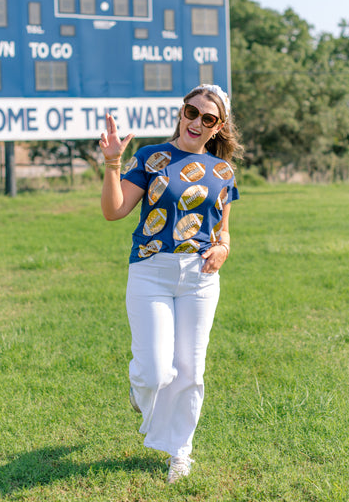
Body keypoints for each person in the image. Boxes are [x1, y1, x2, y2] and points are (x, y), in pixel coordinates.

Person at [100, 84, 243, 484]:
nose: (196, 121)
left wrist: (224, 250)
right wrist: (113, 164)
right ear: (182, 113)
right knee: (154, 372)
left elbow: (224, 232)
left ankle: (180, 451)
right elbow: (115, 211)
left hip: (199, 278)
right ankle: (140, 387)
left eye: (208, 118)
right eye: (191, 111)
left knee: (191, 371)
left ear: (218, 127)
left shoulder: (224, 173)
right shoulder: (152, 157)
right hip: (151, 271)